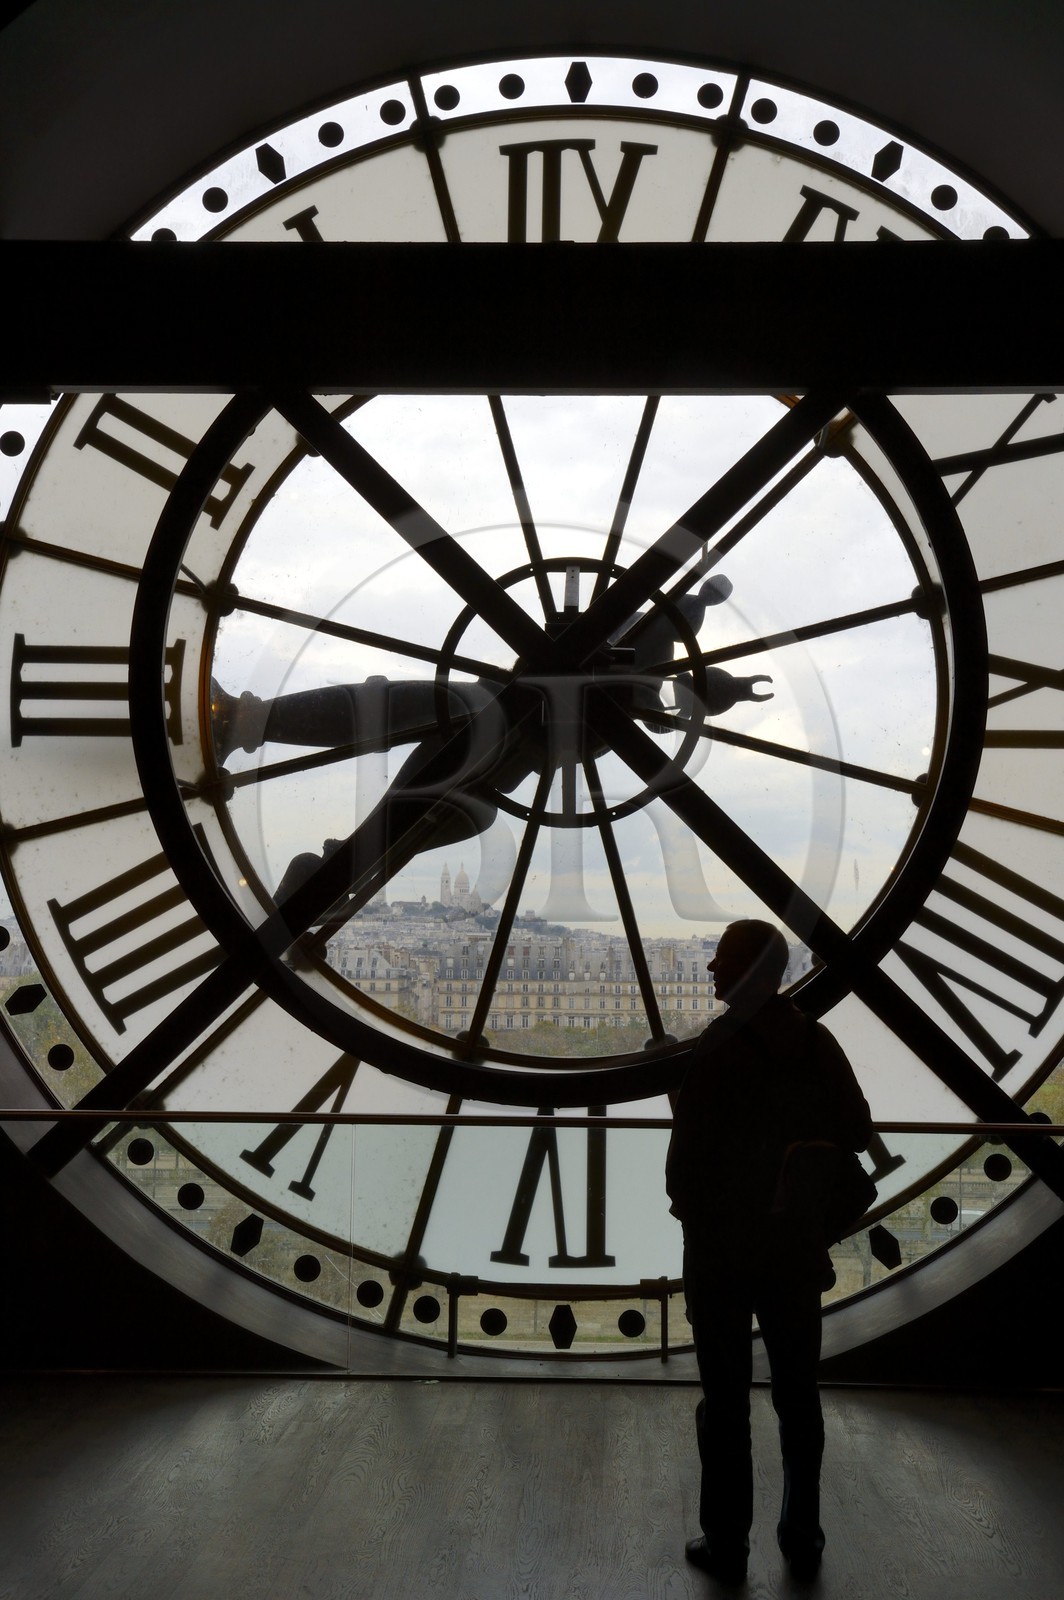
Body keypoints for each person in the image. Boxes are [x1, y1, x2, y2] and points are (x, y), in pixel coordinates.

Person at [666, 919, 872, 1584]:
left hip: (724, 1250)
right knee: (798, 1393)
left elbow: (689, 1168)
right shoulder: (815, 1042)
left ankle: (729, 1538)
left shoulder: (716, 1051)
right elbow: (857, 1130)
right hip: (793, 1246)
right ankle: (801, 1530)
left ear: (746, 972)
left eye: (721, 960)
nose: (710, 971)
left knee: (725, 1399)